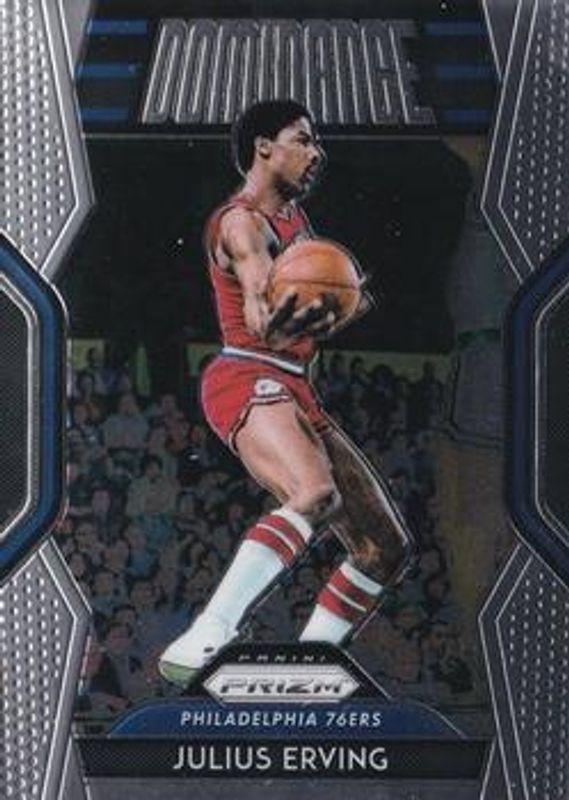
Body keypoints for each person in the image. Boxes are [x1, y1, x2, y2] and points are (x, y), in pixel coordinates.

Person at [159, 99, 414, 686]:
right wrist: (299, 314)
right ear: (264, 148)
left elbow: (326, 302)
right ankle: (207, 632)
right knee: (313, 491)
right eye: (303, 139)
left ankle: (308, 664)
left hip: (294, 383)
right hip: (247, 372)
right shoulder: (241, 223)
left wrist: (342, 301)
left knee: (384, 546)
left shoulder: (296, 221)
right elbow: (259, 318)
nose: (316, 152)